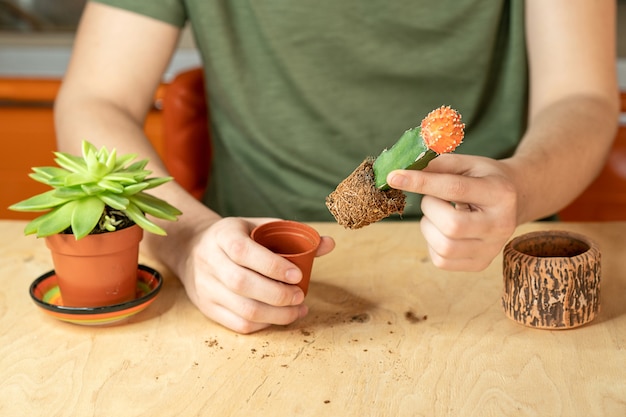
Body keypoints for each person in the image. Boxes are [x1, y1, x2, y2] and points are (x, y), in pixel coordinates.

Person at [54, 0, 618, 334]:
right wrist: (187, 235)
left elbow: (583, 99)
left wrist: (518, 184)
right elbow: (94, 100)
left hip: (497, 267)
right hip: (249, 268)